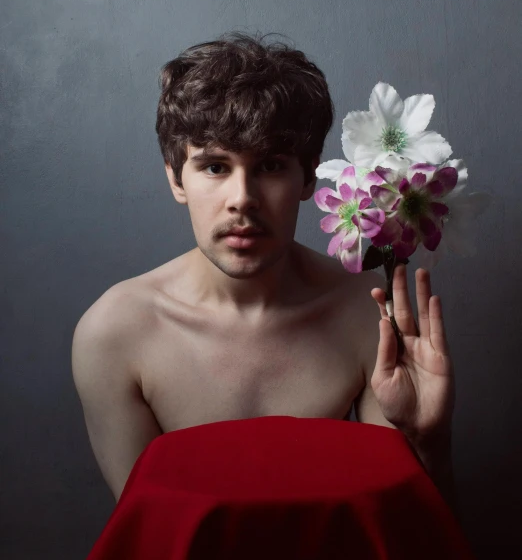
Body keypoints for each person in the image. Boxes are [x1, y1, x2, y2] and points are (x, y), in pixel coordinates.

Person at [71, 31, 457, 517]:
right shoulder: (114, 333)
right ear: (175, 179)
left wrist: (428, 439)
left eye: (271, 165)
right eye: (214, 167)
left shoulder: (367, 312)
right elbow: (151, 534)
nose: (242, 198)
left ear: (309, 177)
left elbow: (402, 531)